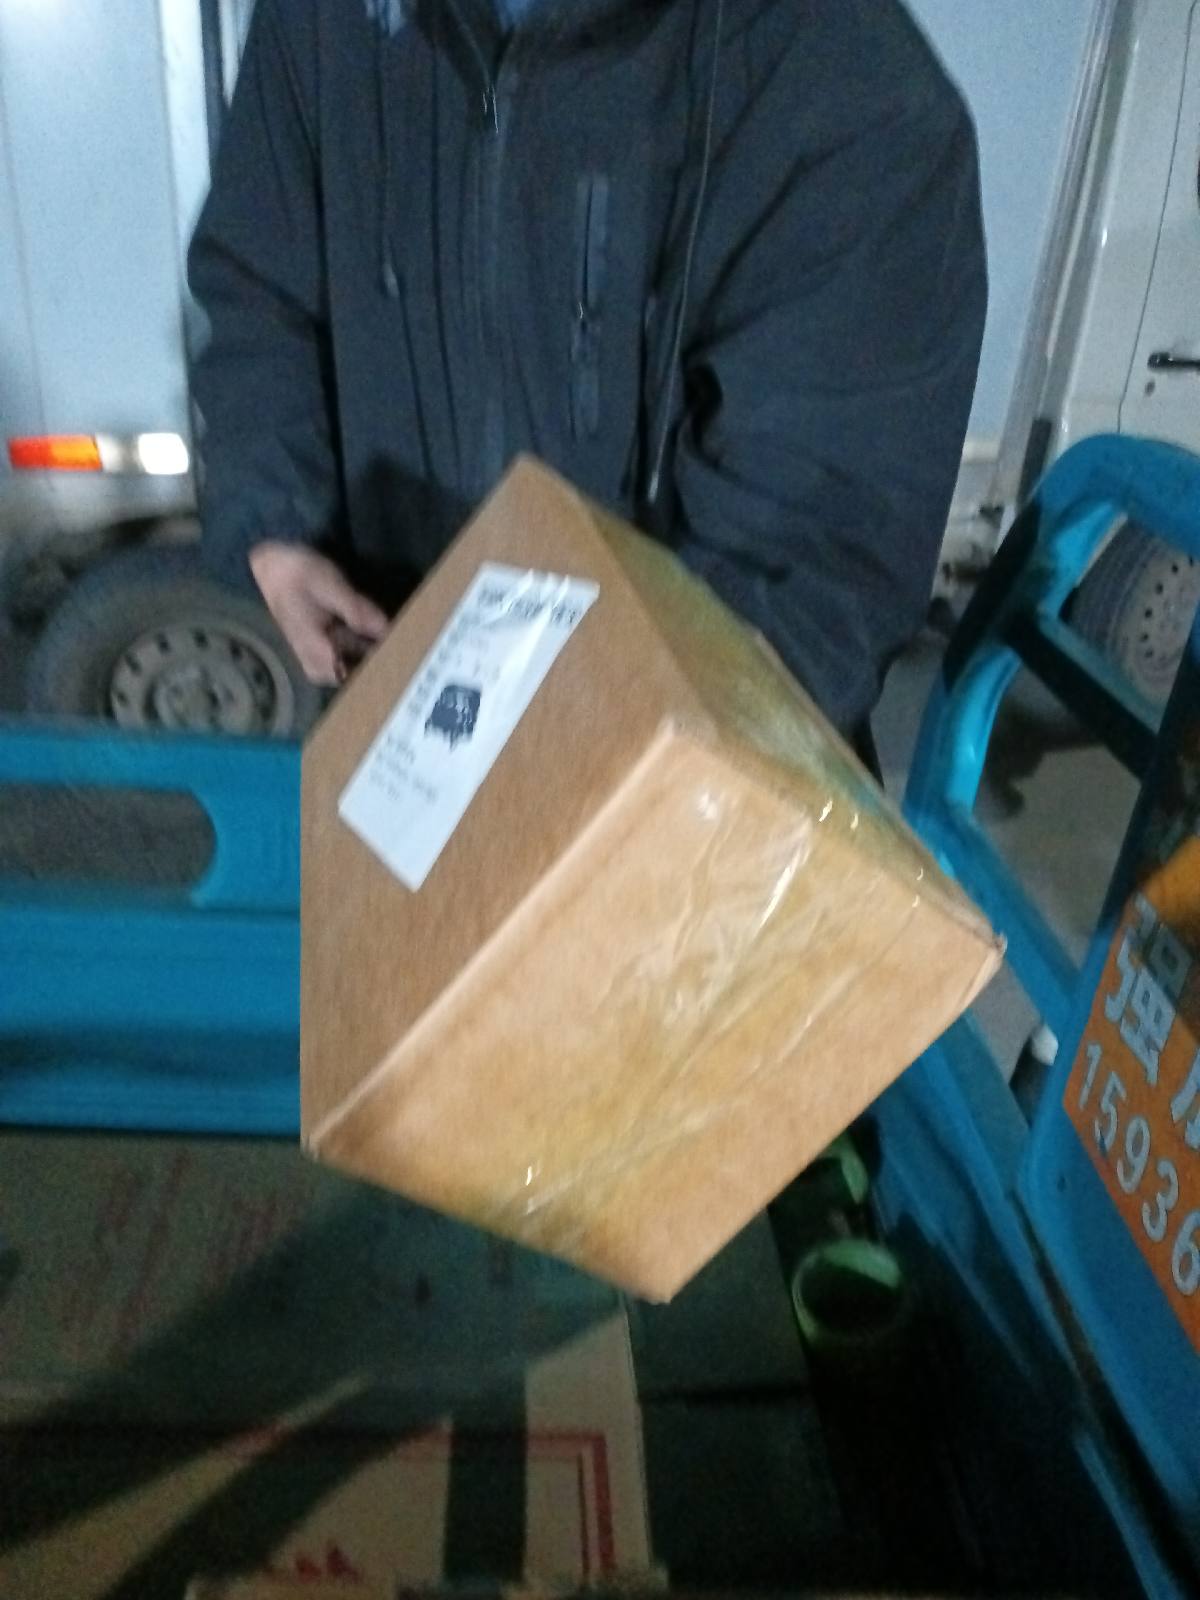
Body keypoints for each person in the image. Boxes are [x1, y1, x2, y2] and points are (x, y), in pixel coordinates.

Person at [189, 0, 986, 757]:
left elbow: (816, 548)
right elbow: (259, 287)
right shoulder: (321, 17)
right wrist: (277, 525)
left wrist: (607, 758)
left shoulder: (843, 80)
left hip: (668, 770)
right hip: (412, 713)